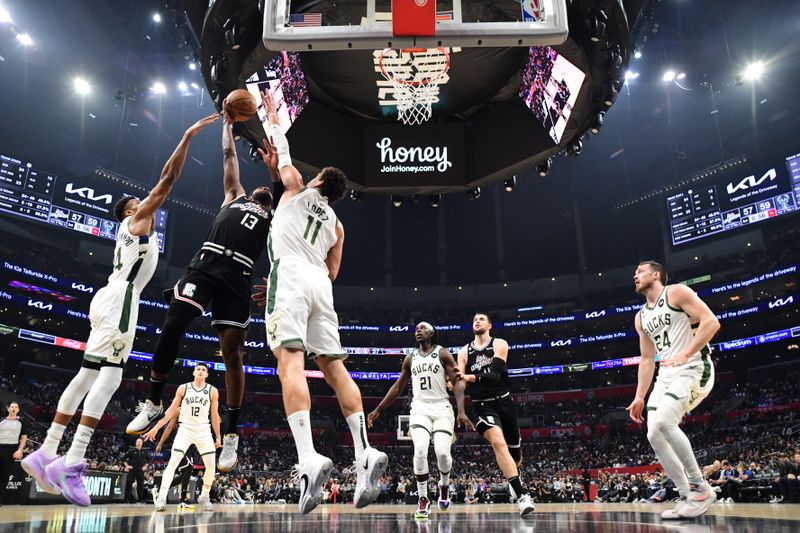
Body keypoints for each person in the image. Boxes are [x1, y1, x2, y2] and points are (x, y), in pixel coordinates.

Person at [21, 114, 220, 507]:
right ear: (131, 212)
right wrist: (186, 137)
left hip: (109, 297)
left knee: (85, 376)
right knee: (108, 380)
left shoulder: (127, 230)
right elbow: (166, 181)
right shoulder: (138, 222)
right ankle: (72, 461)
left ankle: (47, 451)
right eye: (137, 201)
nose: (143, 200)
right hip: (121, 299)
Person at [126, 102, 283, 476]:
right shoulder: (234, 195)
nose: (260, 187)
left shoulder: (276, 216)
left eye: (266, 188)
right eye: (260, 184)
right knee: (174, 322)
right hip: (208, 263)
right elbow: (229, 155)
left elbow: (287, 237)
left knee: (233, 351)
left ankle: (231, 435)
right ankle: (151, 402)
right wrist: (228, 125)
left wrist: (276, 174)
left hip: (239, 276)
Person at [251, 89, 387, 514]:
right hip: (320, 286)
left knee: (289, 363)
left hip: (289, 273)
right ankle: (364, 451)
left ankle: (309, 457)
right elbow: (332, 272)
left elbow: (281, 146)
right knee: (333, 366)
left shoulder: (294, 188)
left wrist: (271, 112)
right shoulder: (339, 226)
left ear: (317, 182)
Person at [626, 260, 720, 520]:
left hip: (693, 367)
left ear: (656, 275)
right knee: (654, 433)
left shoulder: (676, 292)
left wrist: (685, 353)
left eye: (640, 271)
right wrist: (639, 397)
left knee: (666, 421)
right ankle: (686, 495)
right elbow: (647, 359)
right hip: (666, 375)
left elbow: (711, 322)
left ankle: (701, 488)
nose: (635, 275)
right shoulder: (640, 316)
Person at [367, 322, 464, 518]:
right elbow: (397, 387)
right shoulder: (410, 358)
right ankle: (423, 499)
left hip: (442, 408)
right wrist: (378, 408)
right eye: (416, 329)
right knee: (420, 449)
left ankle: (444, 485)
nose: (418, 330)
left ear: (433, 333)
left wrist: (461, 410)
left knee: (442, 453)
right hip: (419, 408)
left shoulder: (442, 353)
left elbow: (457, 381)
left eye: (423, 328)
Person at [454, 312, 535, 517]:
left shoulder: (500, 344)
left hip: (505, 403)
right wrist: (454, 384)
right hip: (482, 406)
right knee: (498, 443)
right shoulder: (464, 352)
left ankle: (514, 478)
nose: (477, 321)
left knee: (516, 455)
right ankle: (522, 496)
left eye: (481, 319)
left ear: (489, 325)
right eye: (474, 320)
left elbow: (494, 375)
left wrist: (469, 377)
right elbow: (461, 382)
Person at [144, 362, 221, 512]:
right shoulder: (183, 388)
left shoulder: (212, 391)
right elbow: (171, 411)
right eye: (198, 369)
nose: (200, 371)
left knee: (211, 466)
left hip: (204, 430)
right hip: (185, 428)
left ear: (207, 374)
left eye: (203, 370)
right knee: (173, 462)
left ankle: (204, 495)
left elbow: (215, 414)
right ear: (193, 372)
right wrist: (156, 428)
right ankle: (161, 496)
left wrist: (218, 437)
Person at [0, 401, 27, 506]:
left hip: (12, 450)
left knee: (5, 475)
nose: (13, 408)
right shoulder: (1, 421)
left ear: (18, 410)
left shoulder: (21, 422)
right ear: (8, 409)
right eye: (12, 407)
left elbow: (24, 437)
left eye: (16, 407)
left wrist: (20, 450)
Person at [123, 438, 149, 503]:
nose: (139, 443)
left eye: (140, 442)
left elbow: (148, 461)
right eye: (138, 442)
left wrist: (145, 467)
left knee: (140, 485)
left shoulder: (145, 452)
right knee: (129, 484)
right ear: (136, 443)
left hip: (140, 471)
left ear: (142, 443)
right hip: (132, 470)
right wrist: (127, 466)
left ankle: (140, 499)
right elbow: (123, 459)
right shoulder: (131, 451)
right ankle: (127, 499)